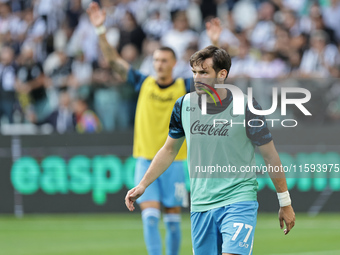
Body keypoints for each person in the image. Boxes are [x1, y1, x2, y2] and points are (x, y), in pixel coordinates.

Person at [125, 45, 296, 255]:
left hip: (239, 200)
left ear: (222, 74)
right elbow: (169, 150)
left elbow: (270, 156)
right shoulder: (184, 105)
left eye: (204, 72)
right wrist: (143, 184)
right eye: (195, 72)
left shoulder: (246, 106)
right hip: (201, 204)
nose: (197, 78)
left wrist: (285, 201)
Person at [87, 2, 221, 255]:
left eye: (164, 60)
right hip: (145, 159)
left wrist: (213, 44)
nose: (158, 64)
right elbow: (114, 61)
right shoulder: (142, 82)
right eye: (156, 60)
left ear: (173, 63)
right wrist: (100, 29)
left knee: (172, 220)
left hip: (177, 162)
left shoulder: (184, 86)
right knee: (149, 217)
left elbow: (212, 79)